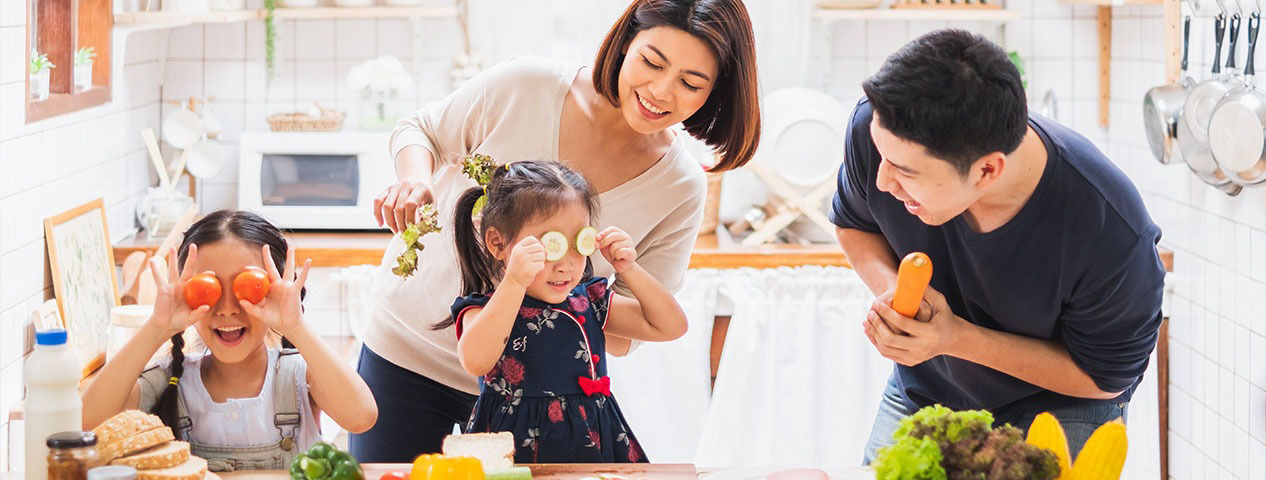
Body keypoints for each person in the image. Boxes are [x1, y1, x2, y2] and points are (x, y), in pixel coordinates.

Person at [355, 0, 760, 462]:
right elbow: (421, 129)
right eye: (652, 62)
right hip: (406, 356)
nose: (661, 92)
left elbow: (629, 334)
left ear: (717, 91)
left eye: (691, 83)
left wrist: (560, 291)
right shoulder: (527, 84)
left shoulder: (680, 186)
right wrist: (416, 181)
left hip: (534, 406)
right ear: (626, 42)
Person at [829, 29, 1165, 462]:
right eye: (881, 157)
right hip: (927, 389)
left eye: (905, 172)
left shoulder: (1107, 229)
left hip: (1059, 408)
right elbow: (854, 223)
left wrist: (954, 338)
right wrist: (893, 293)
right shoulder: (882, 134)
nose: (882, 181)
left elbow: (1103, 377)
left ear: (987, 171)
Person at [82, 210, 378, 471]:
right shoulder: (170, 380)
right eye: (206, 289)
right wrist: (157, 327)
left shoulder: (299, 375)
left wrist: (295, 326)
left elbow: (361, 416)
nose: (227, 309)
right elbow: (86, 423)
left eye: (247, 288)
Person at [443, 159, 686, 462]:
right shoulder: (484, 309)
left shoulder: (589, 301)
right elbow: (476, 361)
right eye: (550, 244)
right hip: (513, 451)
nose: (566, 264)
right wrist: (515, 281)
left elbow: (671, 326)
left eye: (577, 243)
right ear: (497, 242)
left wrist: (630, 268)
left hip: (594, 444)